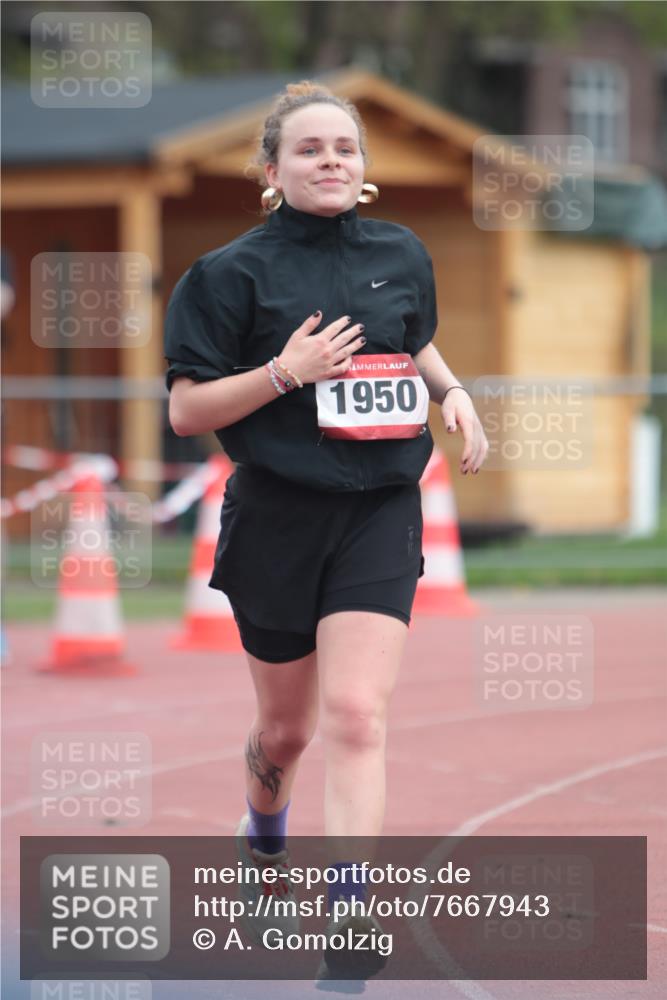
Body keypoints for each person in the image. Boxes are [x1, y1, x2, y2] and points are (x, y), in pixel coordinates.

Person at [165, 80, 488, 979]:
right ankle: (262, 836)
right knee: (285, 733)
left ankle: (348, 921)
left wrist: (452, 393)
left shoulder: (401, 251)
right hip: (277, 516)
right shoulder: (227, 275)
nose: (331, 162)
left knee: (356, 713)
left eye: (344, 149)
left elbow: (409, 339)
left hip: (381, 510)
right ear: (271, 170)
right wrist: (283, 372)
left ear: (364, 169)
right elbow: (188, 412)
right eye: (309, 150)